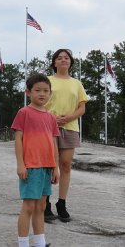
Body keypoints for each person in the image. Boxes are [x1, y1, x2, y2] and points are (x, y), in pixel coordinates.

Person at [11, 73, 60, 247]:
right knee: (29, 207)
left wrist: (56, 167)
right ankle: (23, 244)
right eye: (37, 90)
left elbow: (54, 142)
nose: (42, 94)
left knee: (41, 207)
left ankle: (40, 243)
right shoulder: (24, 112)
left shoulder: (51, 117)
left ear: (50, 94)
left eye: (46, 91)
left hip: (47, 167)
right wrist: (20, 164)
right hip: (31, 167)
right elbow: (18, 139)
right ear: (28, 92)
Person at [44, 49, 88, 222]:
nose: (63, 60)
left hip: (70, 127)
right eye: (59, 58)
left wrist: (69, 117)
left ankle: (61, 203)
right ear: (54, 62)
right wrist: (50, 118)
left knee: (66, 165)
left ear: (71, 62)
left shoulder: (76, 83)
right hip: (48, 126)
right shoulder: (47, 80)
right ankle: (45, 202)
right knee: (48, 165)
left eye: (66, 58)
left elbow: (82, 108)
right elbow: (39, 101)